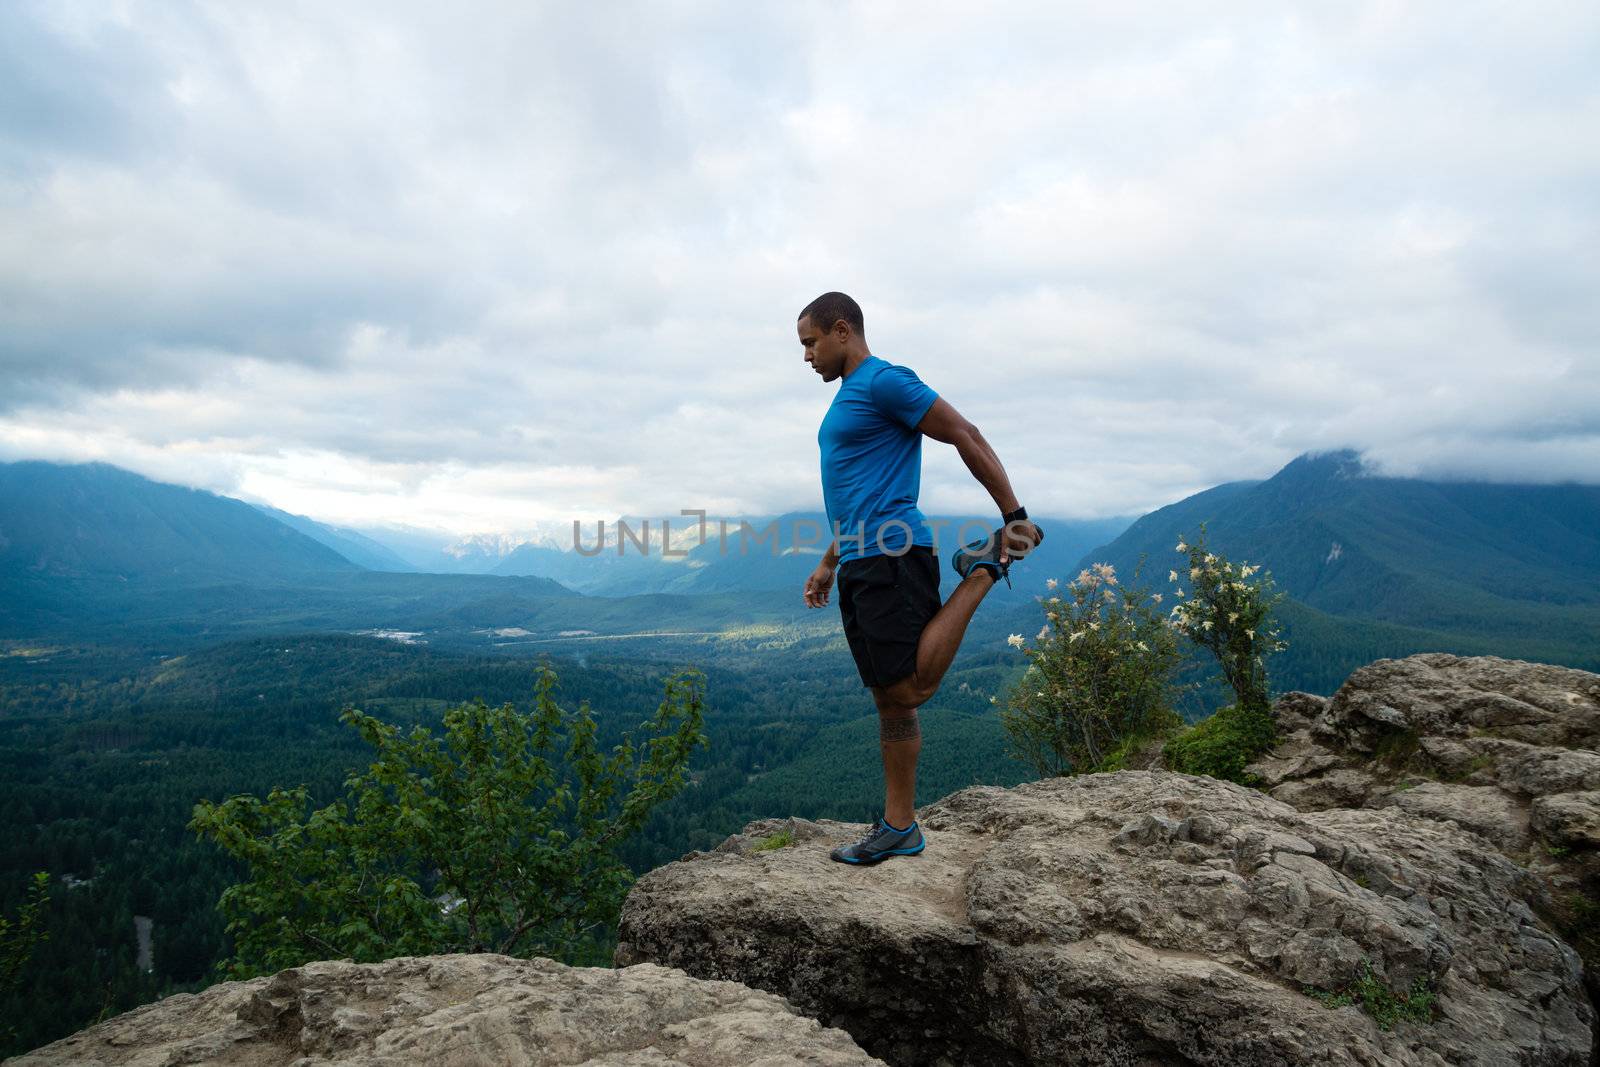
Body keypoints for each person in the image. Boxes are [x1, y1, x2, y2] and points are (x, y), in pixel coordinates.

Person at [797, 291, 1043, 865]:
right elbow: (859, 493)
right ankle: (900, 827)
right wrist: (831, 561)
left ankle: (985, 567)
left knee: (911, 688)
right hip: (862, 557)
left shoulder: (885, 381)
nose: (806, 356)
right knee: (890, 700)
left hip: (894, 553)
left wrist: (1014, 516)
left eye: (810, 343)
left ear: (841, 330)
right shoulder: (849, 399)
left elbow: (965, 432)